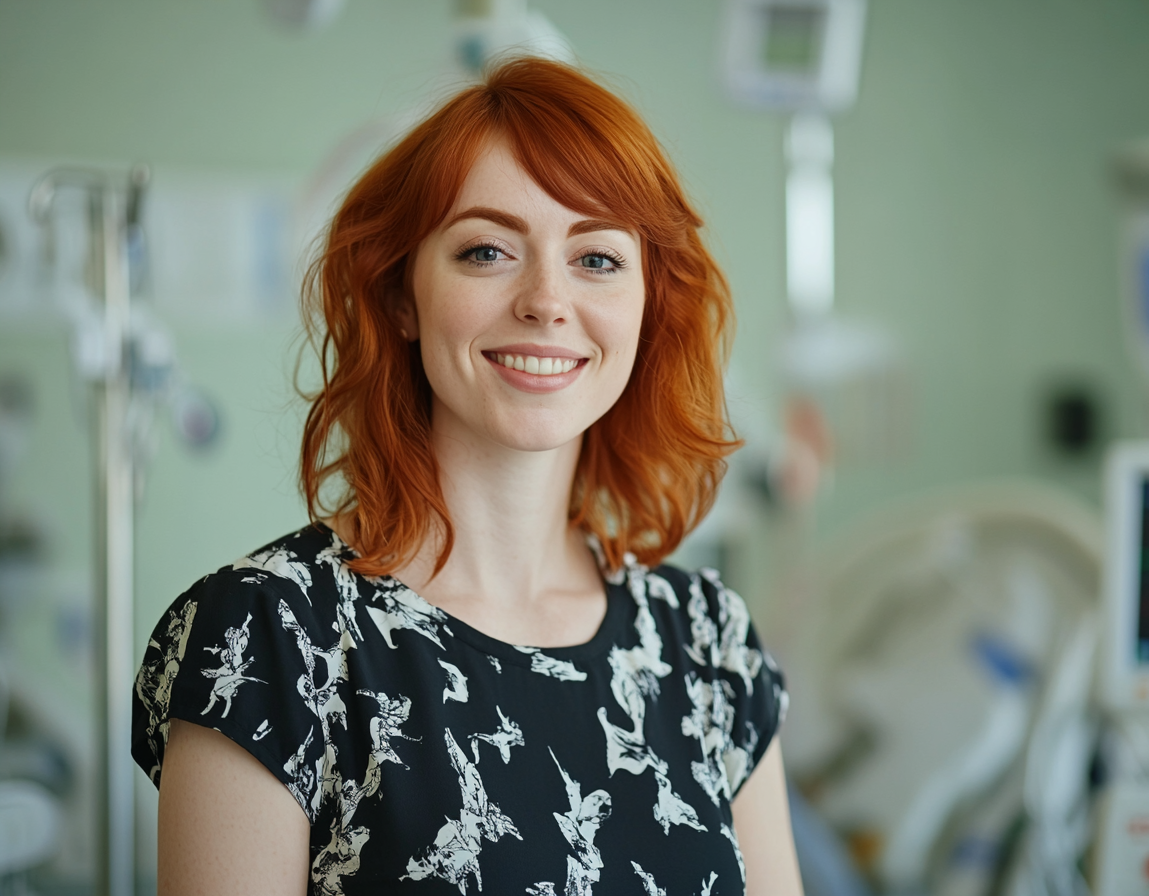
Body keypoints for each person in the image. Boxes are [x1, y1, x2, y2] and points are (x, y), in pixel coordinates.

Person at [133, 56, 801, 896]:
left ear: (646, 304)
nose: (547, 301)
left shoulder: (711, 650)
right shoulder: (271, 643)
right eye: (487, 250)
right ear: (403, 297)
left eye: (597, 258)